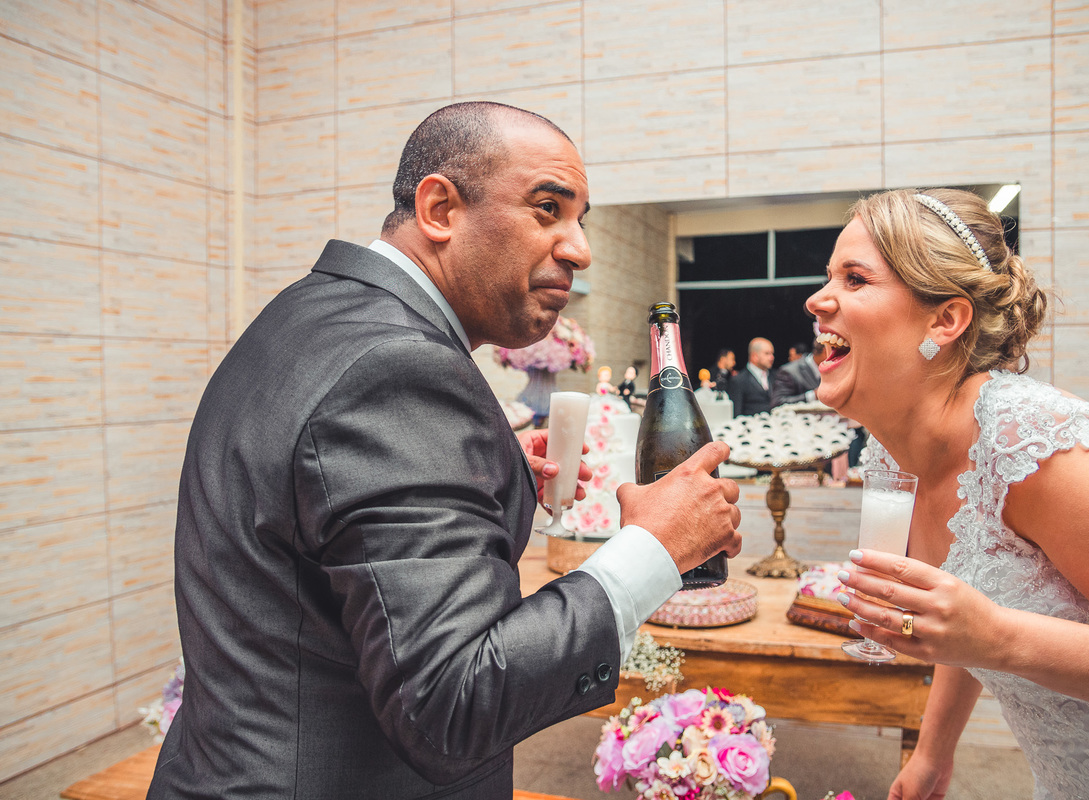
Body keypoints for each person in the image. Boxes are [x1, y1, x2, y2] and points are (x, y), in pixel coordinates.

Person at [147, 102, 742, 800]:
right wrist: (652, 548)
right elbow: (453, 703)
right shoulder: (398, 367)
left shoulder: (311, 314)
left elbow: (324, 511)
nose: (579, 250)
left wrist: (480, 474)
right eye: (547, 209)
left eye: (581, 220)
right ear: (440, 209)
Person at [804, 188, 1089, 799]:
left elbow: (989, 624)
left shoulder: (1038, 443)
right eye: (829, 275)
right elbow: (976, 592)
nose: (817, 299)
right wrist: (933, 751)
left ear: (945, 321)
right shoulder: (891, 454)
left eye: (855, 279)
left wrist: (999, 639)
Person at [728, 337, 775, 416]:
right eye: (767, 353)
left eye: (772, 354)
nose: (772, 357)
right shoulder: (738, 380)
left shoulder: (776, 376)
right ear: (754, 356)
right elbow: (736, 413)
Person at [770, 340, 822, 407]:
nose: (790, 359)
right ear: (825, 351)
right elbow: (778, 401)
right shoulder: (788, 371)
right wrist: (813, 395)